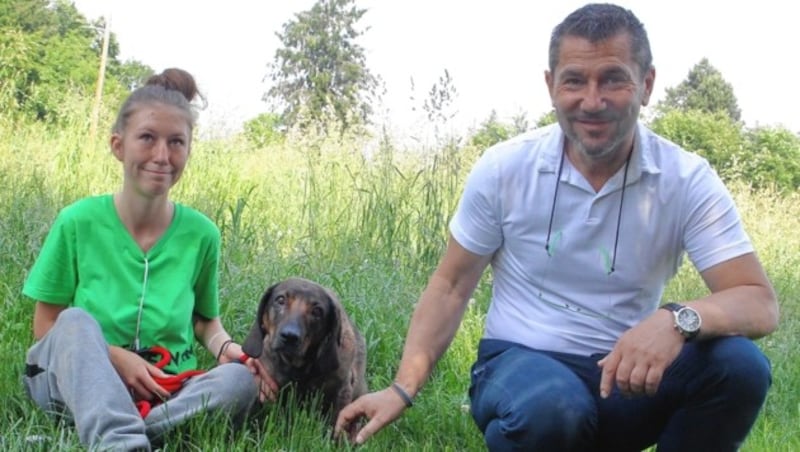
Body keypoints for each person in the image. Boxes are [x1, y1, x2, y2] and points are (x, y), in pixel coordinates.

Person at [335, 3, 779, 451]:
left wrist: (677, 320)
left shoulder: (686, 179)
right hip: (520, 369)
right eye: (574, 80)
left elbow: (757, 301)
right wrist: (401, 388)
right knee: (553, 409)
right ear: (550, 86)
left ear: (646, 85)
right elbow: (450, 286)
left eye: (613, 79)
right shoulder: (505, 168)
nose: (592, 101)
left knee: (739, 367)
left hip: (626, 377)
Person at [21, 68, 277, 451]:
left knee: (238, 381)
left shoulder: (202, 234)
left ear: (189, 150)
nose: (162, 155)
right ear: (118, 145)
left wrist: (231, 352)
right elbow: (47, 326)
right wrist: (116, 358)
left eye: (176, 142)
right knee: (75, 320)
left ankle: (130, 431)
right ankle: (122, 442)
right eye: (147, 138)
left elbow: (205, 322)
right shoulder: (77, 222)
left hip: (165, 387)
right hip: (77, 380)